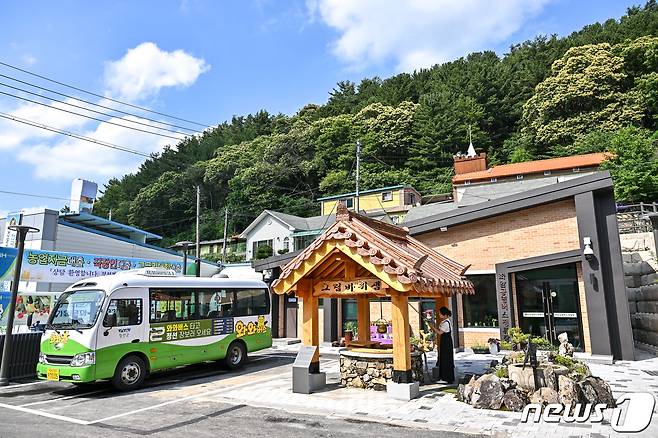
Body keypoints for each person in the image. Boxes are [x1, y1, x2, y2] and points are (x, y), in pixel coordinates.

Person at [437, 306, 455, 383]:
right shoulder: (444, 321)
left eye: (440, 314)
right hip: (444, 342)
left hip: (446, 343)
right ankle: (444, 377)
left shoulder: (446, 323)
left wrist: (432, 327)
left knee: (446, 359)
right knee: (443, 359)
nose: (439, 315)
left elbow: (440, 332)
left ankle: (447, 378)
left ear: (444, 314)